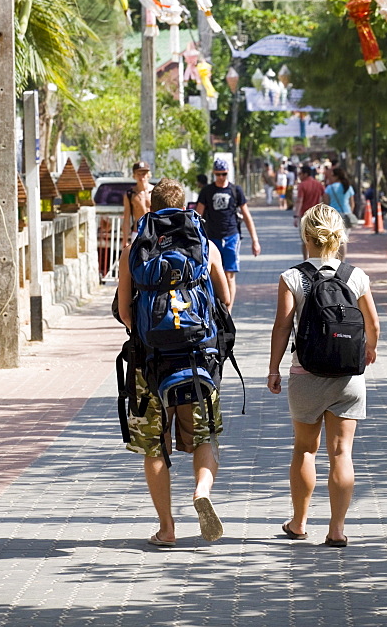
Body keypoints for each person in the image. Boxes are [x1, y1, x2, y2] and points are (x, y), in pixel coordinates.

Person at [117, 177, 231, 545]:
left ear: (149, 207)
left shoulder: (135, 249)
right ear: (187, 207)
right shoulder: (204, 245)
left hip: (150, 363)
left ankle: (167, 529)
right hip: (198, 360)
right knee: (204, 437)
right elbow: (224, 302)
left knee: (154, 443)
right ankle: (201, 491)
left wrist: (151, 335)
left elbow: (124, 312)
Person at [267, 204, 381, 546]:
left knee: (304, 449)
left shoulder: (293, 277)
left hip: (306, 373)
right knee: (341, 453)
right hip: (348, 376)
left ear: (306, 236)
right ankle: (336, 530)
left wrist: (273, 368)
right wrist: (369, 349)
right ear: (339, 237)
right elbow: (373, 324)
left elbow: (283, 326)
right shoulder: (356, 276)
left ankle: (299, 523)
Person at [196, 157, 261, 312]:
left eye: (223, 174)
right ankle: (213, 308)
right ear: (214, 174)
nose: (221, 177)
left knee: (229, 274)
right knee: (212, 274)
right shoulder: (207, 191)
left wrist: (255, 240)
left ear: (228, 173)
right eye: (218, 174)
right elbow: (197, 216)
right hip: (212, 238)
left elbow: (246, 215)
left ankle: (228, 312)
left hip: (231, 236)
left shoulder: (235, 190)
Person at [293, 162, 324, 259]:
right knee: (318, 239)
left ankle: (306, 260)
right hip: (317, 216)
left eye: (300, 174)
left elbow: (299, 201)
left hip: (305, 216)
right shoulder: (319, 185)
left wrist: (296, 216)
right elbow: (324, 199)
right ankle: (318, 259)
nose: (299, 176)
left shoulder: (302, 185)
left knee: (305, 240)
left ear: (305, 174)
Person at [324, 165, 356, 258]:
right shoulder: (348, 187)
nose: (331, 177)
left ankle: (334, 260)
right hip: (347, 214)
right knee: (343, 240)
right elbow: (352, 203)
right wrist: (350, 213)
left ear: (337, 176)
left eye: (332, 175)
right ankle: (342, 261)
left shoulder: (330, 188)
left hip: (334, 215)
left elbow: (326, 203)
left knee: (334, 240)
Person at [122, 161, 153, 246]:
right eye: (138, 174)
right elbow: (126, 219)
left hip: (154, 231)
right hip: (138, 232)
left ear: (148, 175)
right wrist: (125, 240)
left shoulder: (155, 192)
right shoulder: (130, 194)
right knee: (138, 259)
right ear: (134, 175)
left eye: (144, 174)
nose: (141, 177)